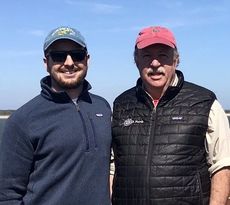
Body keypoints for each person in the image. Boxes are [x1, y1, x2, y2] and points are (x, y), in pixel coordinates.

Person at [111, 26, 230, 205]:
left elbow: (222, 165)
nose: (155, 63)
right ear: (136, 60)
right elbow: (113, 167)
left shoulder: (204, 102)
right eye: (147, 56)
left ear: (176, 60)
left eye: (163, 55)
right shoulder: (121, 105)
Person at [0, 26, 112, 205]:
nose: (69, 62)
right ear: (46, 62)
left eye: (77, 54)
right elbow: (7, 195)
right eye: (59, 56)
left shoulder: (102, 107)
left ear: (87, 59)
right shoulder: (23, 119)